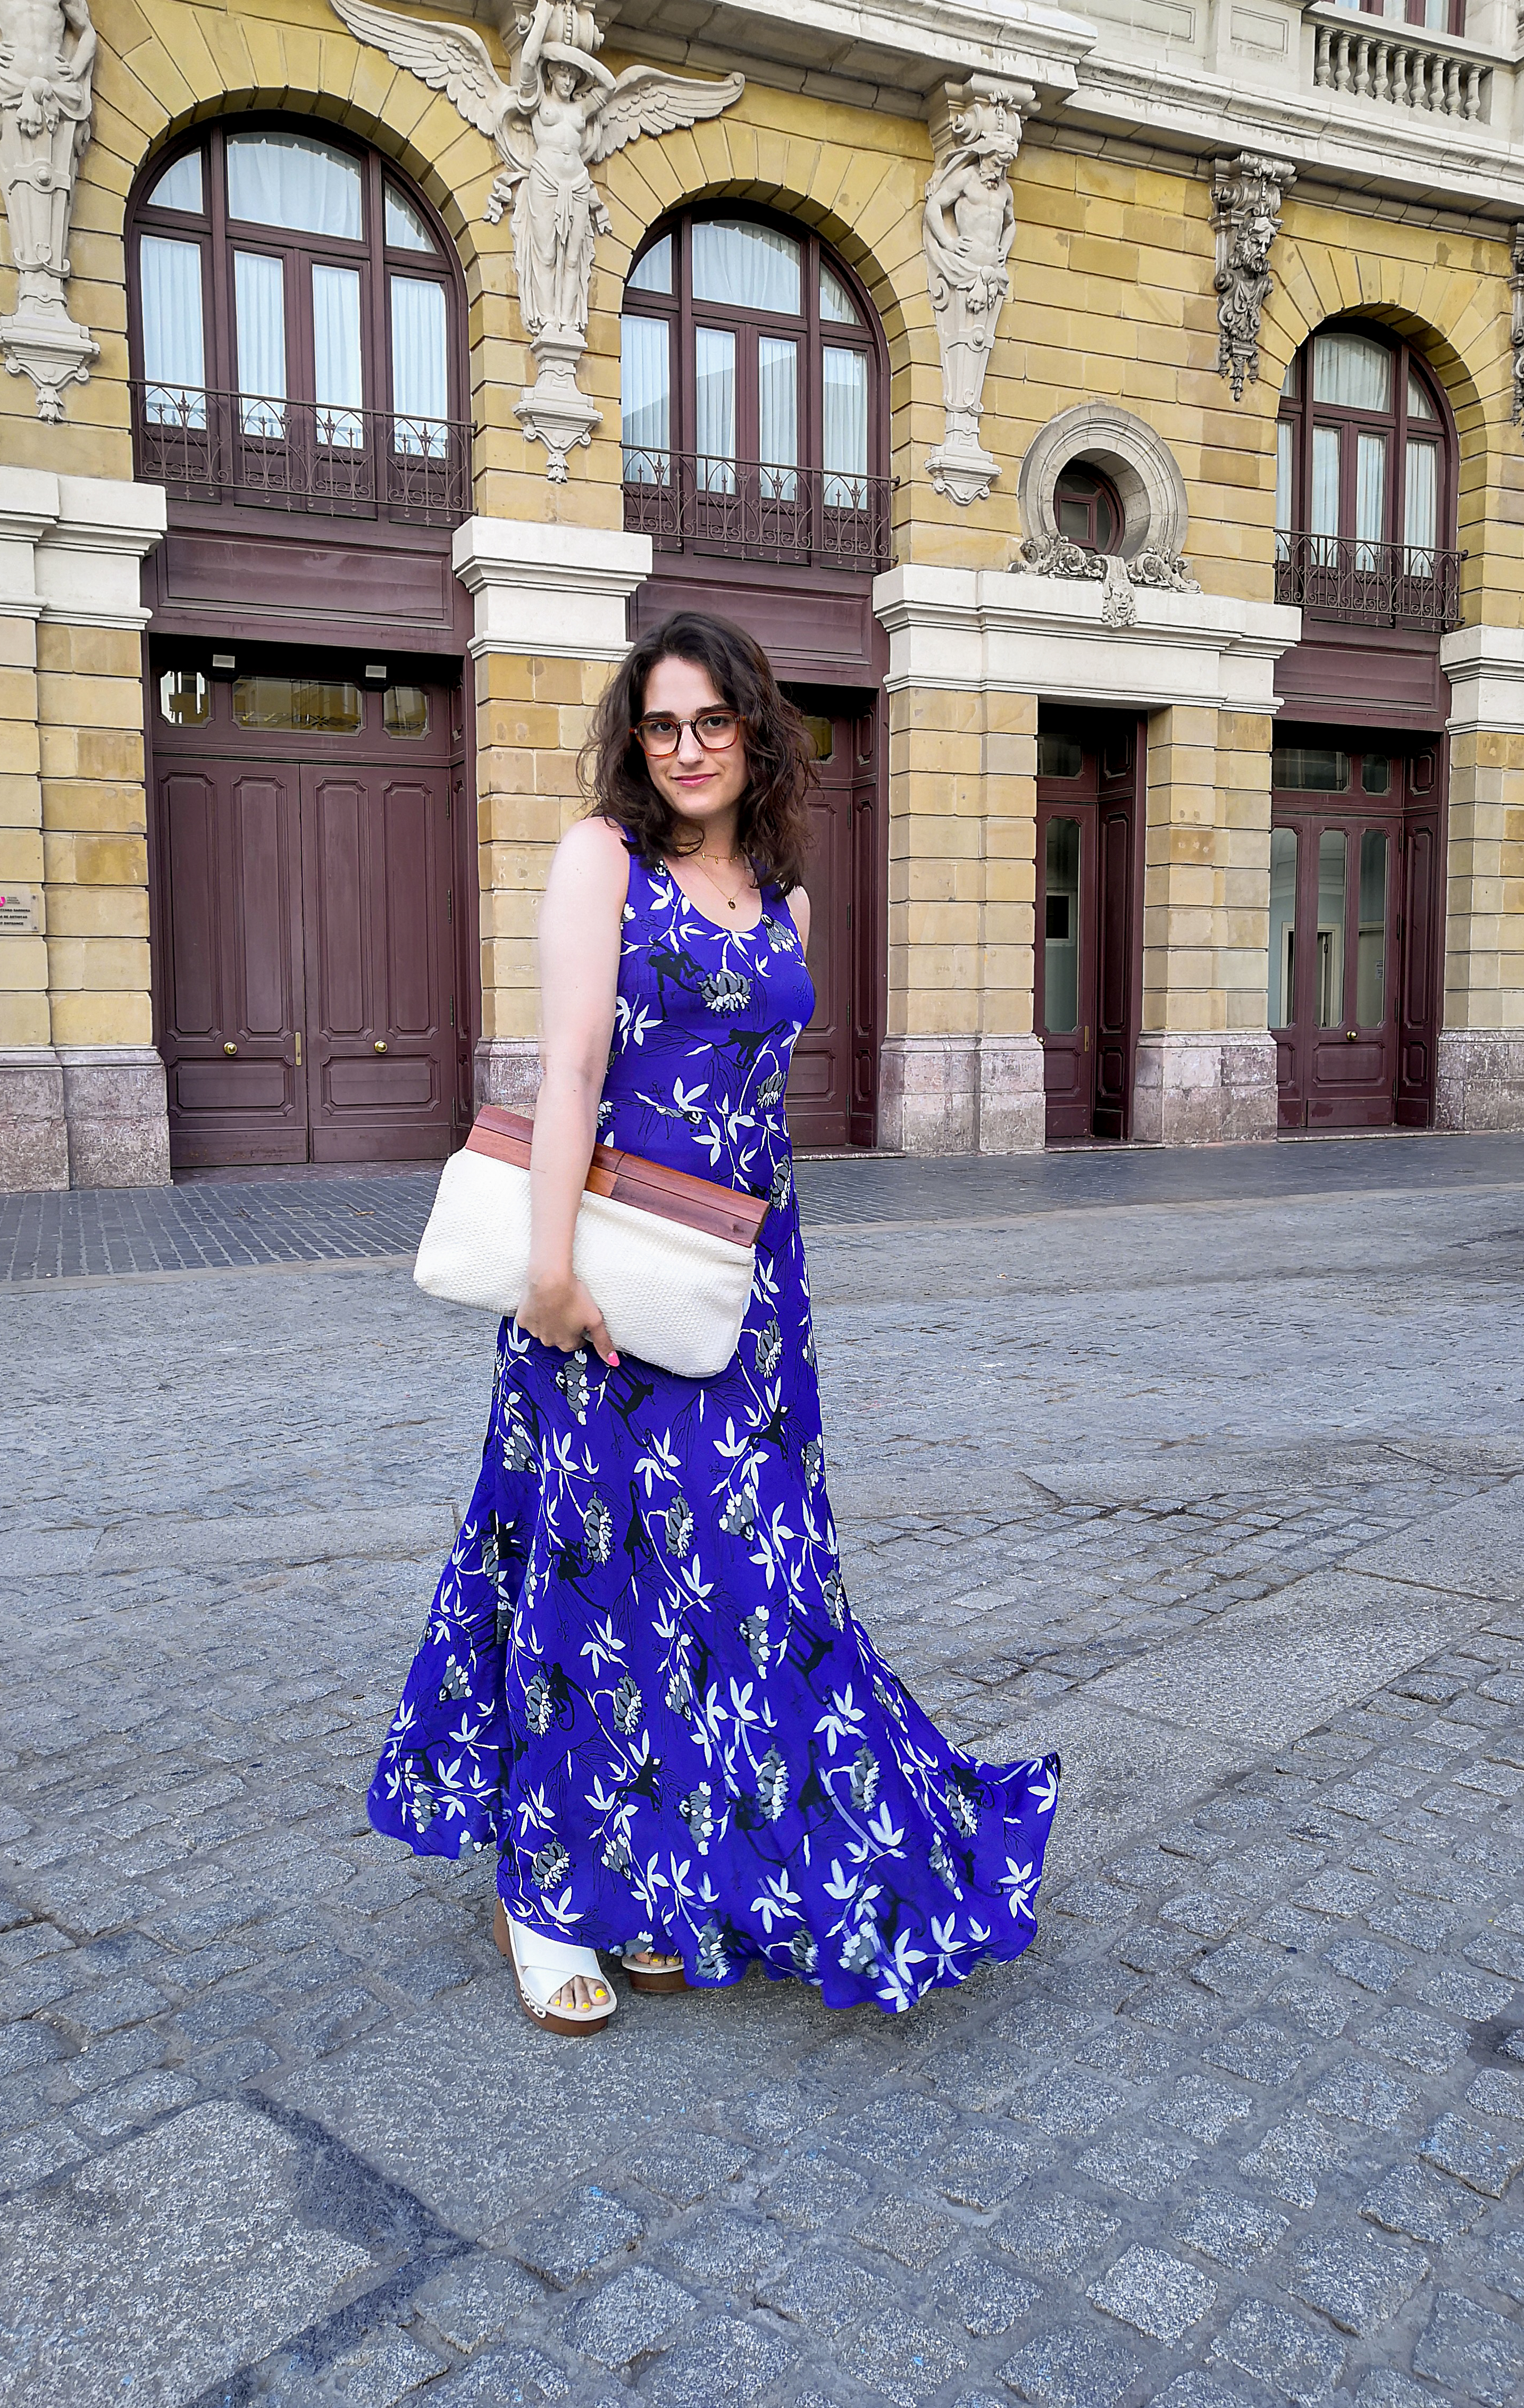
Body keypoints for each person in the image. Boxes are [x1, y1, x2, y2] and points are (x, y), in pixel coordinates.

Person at [367, 610, 1060, 2034]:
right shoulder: (597, 862)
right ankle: (548, 1891)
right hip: (608, 1265)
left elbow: (763, 1107)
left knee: (746, 1578)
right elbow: (564, 1076)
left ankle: (649, 1873)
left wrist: (769, 1298)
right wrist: (551, 1277)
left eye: (711, 723)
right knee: (595, 1574)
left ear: (757, 733)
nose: (684, 749)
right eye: (661, 724)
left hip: (744, 1282)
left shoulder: (789, 897)